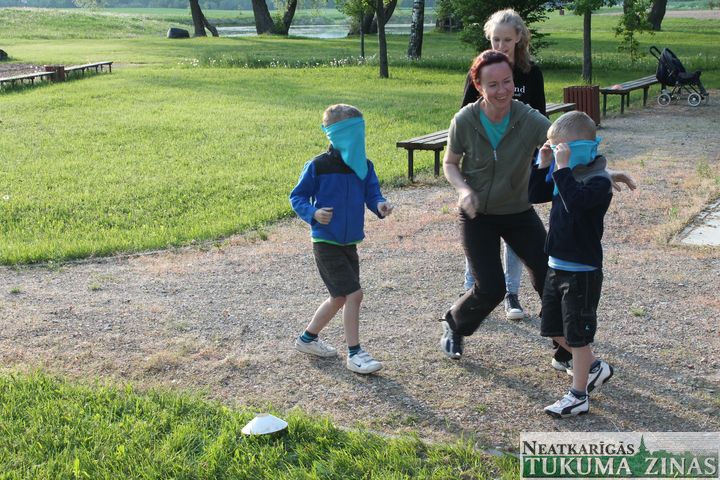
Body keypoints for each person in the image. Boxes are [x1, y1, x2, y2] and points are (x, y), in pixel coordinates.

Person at [439, 50, 553, 360]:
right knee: (490, 288)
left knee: (550, 276)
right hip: (477, 214)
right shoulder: (465, 120)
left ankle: (564, 349)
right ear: (478, 86)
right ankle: (455, 324)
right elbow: (450, 163)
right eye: (493, 85)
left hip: (518, 210)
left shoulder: (527, 118)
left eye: (507, 81)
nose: (502, 90)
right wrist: (463, 190)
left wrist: (596, 167)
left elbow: (560, 139)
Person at [289, 104, 394, 375]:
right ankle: (355, 354)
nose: (357, 139)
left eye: (360, 133)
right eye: (351, 134)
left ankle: (307, 339)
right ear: (334, 135)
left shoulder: (364, 166)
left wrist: (380, 205)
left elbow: (372, 193)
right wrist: (313, 213)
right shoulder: (318, 166)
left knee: (339, 297)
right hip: (325, 242)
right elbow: (297, 197)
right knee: (353, 294)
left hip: (349, 242)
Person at [461, 9, 545, 322]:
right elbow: (466, 112)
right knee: (479, 230)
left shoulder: (530, 73)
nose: (500, 45)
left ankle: (511, 293)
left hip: (518, 166)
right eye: (495, 39)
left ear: (519, 38)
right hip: (483, 166)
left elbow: (539, 117)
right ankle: (472, 290)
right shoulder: (480, 69)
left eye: (506, 39)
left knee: (516, 230)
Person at [528, 111, 614, 417]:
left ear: (579, 149)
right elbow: (534, 194)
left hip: (581, 270)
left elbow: (575, 203)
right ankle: (594, 367)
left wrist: (562, 167)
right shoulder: (565, 173)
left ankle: (579, 395)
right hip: (556, 264)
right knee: (551, 327)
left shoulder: (598, 181)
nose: (556, 155)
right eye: (554, 149)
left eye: (561, 149)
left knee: (577, 335)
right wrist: (543, 164)